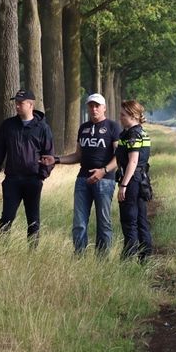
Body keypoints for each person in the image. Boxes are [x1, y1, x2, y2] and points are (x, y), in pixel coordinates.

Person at [41, 93, 118, 255]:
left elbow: (119, 157)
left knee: (103, 222)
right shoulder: (83, 128)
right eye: (91, 105)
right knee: (79, 222)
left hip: (105, 180)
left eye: (97, 105)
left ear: (104, 108)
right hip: (82, 179)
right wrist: (56, 160)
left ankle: (102, 260)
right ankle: (79, 257)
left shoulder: (113, 127)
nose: (94, 109)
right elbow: (77, 155)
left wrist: (103, 171)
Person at [0, 89, 54, 247]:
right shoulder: (8, 125)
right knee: (6, 218)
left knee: (33, 220)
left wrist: (41, 176)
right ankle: (1, 252)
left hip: (33, 180)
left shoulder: (42, 128)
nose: (17, 106)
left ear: (31, 105)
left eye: (21, 103)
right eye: (16, 103)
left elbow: (49, 154)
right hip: (12, 180)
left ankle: (32, 253)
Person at [109, 100, 152, 260]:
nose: (120, 117)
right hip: (142, 179)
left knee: (129, 220)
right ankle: (145, 256)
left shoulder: (132, 134)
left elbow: (133, 161)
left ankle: (128, 258)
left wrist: (123, 185)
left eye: (123, 115)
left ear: (133, 115)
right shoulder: (142, 132)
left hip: (132, 180)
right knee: (141, 219)